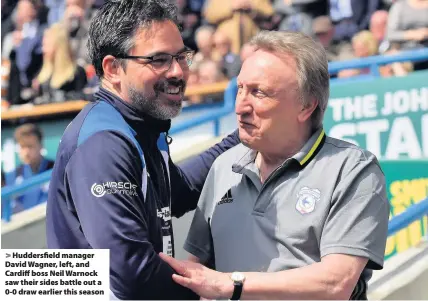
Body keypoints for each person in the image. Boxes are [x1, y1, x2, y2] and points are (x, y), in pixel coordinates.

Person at [160, 31, 390, 300]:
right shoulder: (223, 167)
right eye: (241, 89)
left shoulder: (352, 171)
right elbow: (199, 273)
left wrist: (233, 284)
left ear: (306, 106)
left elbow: (336, 284)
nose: (241, 106)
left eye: (259, 92)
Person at [45, 0, 239, 300]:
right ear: (112, 69)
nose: (178, 72)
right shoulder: (105, 142)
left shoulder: (142, 125)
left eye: (181, 56)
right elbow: (132, 274)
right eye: (159, 60)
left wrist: (242, 139)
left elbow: (178, 191)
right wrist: (210, 291)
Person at [3, 123, 54, 213]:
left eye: (30, 146)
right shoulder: (12, 177)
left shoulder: (56, 170)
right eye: (22, 147)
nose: (26, 152)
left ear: (41, 146)